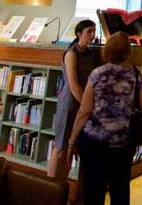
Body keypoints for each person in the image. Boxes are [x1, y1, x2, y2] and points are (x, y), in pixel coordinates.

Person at [67, 32, 142, 205]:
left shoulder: (98, 74)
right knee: (120, 192)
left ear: (108, 50)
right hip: (123, 143)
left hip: (95, 143)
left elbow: (84, 111)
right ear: (128, 52)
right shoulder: (136, 74)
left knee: (93, 193)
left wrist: (72, 141)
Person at [48, 19, 100, 178]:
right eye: (89, 31)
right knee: (61, 147)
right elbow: (73, 85)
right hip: (70, 102)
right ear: (79, 34)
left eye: (94, 31)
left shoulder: (90, 54)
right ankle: (50, 185)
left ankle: (63, 183)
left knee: (73, 147)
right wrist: (87, 106)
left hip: (84, 103)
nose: (92, 35)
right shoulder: (71, 53)